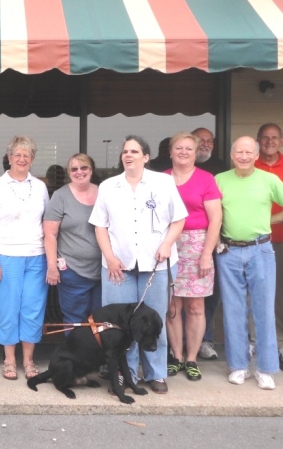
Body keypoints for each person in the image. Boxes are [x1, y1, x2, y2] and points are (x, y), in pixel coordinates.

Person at [89, 135, 187, 394]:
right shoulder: (109, 186)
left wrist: (166, 245)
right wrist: (109, 257)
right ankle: (124, 373)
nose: (128, 155)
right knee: (120, 325)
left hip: (156, 264)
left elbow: (178, 220)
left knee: (154, 321)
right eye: (125, 151)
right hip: (118, 266)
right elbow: (100, 225)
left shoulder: (163, 182)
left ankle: (156, 373)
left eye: (134, 151)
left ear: (146, 157)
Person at [215, 136, 283, 390]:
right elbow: (211, 214)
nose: (243, 156)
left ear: (256, 155)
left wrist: (270, 220)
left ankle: (266, 369)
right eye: (239, 152)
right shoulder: (220, 180)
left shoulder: (269, 180)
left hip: (260, 249)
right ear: (232, 155)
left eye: (248, 152)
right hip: (229, 251)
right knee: (233, 310)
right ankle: (239, 366)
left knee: (264, 309)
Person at [0, 135, 49, 380]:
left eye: (27, 155)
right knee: (9, 310)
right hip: (6, 257)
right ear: (9, 158)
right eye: (17, 154)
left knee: (32, 309)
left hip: (36, 257)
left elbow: (47, 225)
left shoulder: (40, 187)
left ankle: (29, 360)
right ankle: (9, 360)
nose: (22, 159)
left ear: (32, 159)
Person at [164, 132, 222, 381]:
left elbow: (216, 219)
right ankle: (176, 357)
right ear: (171, 152)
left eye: (189, 148)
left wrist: (207, 254)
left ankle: (191, 358)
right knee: (172, 305)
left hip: (198, 245)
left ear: (196, 152)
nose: (184, 152)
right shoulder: (160, 179)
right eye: (179, 148)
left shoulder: (206, 179)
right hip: (167, 245)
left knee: (196, 306)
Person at [254, 123, 283, 364]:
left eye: (274, 138)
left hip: (282, 237)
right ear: (258, 141)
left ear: (282, 141)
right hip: (251, 239)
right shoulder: (250, 164)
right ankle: (254, 341)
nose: (269, 141)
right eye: (265, 138)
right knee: (253, 291)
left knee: (280, 295)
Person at [43, 153, 102, 327]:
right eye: (74, 169)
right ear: (69, 172)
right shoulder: (60, 196)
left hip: (104, 271)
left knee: (100, 321)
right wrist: (52, 267)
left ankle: (95, 355)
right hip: (72, 272)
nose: (79, 172)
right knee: (74, 322)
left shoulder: (104, 193)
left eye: (84, 167)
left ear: (91, 170)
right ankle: (76, 355)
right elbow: (50, 234)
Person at [191, 127, 229, 361]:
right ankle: (182, 343)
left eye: (209, 141)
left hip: (214, 241)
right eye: (200, 140)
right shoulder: (175, 170)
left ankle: (205, 340)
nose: (205, 144)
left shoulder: (222, 169)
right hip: (181, 243)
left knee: (209, 293)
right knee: (181, 297)